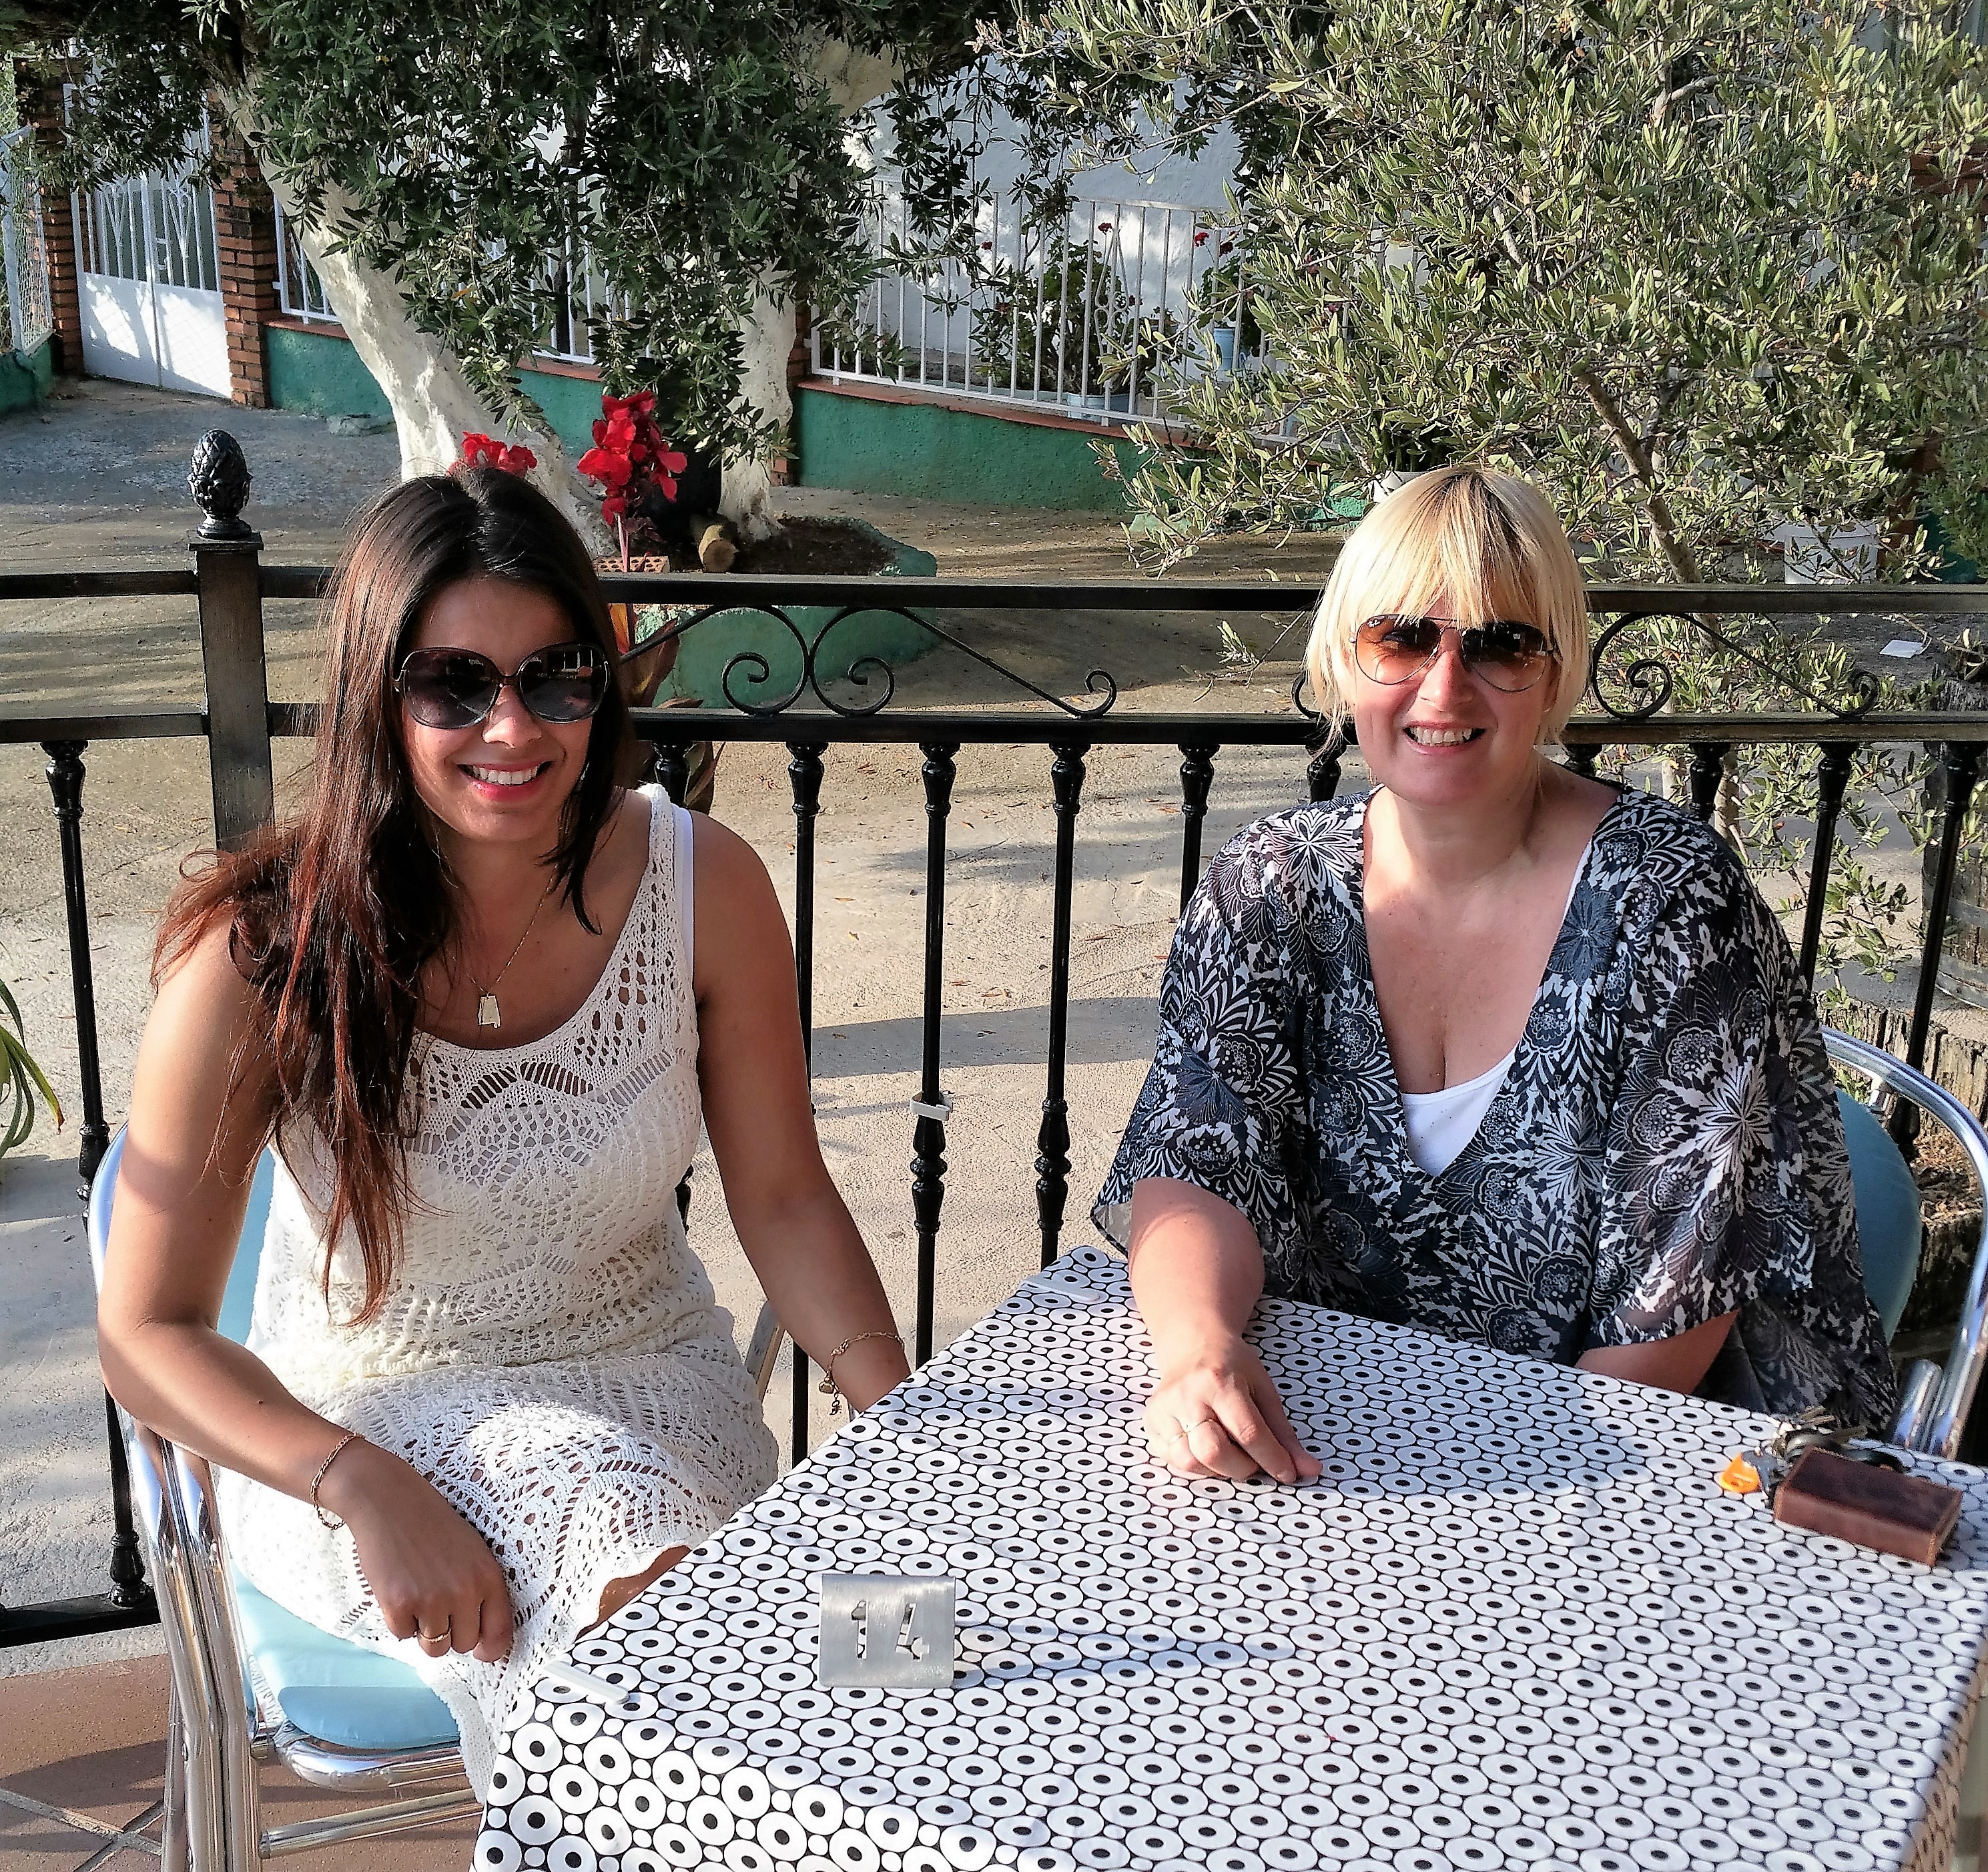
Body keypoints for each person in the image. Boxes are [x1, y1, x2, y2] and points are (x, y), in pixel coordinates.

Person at [97, 466, 908, 1793]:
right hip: (369, 1424)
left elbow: (782, 1195)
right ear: (378, 696)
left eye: (554, 677)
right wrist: (361, 1482)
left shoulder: (703, 886)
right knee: (698, 1650)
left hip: (657, 1387)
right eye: (453, 685)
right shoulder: (262, 955)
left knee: (883, 1643)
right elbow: (144, 1332)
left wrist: (901, 1424)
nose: (512, 725)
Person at [1096, 464, 1897, 1488]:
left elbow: (1669, 1314)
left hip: (1641, 1457)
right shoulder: (1271, 887)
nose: (1444, 687)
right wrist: (1199, 1350)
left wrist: (1486, 1506)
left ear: (1555, 675)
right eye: (1401, 639)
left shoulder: (1670, 903)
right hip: (1331, 1439)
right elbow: (1196, 1165)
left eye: (1502, 645)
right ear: (1344, 658)